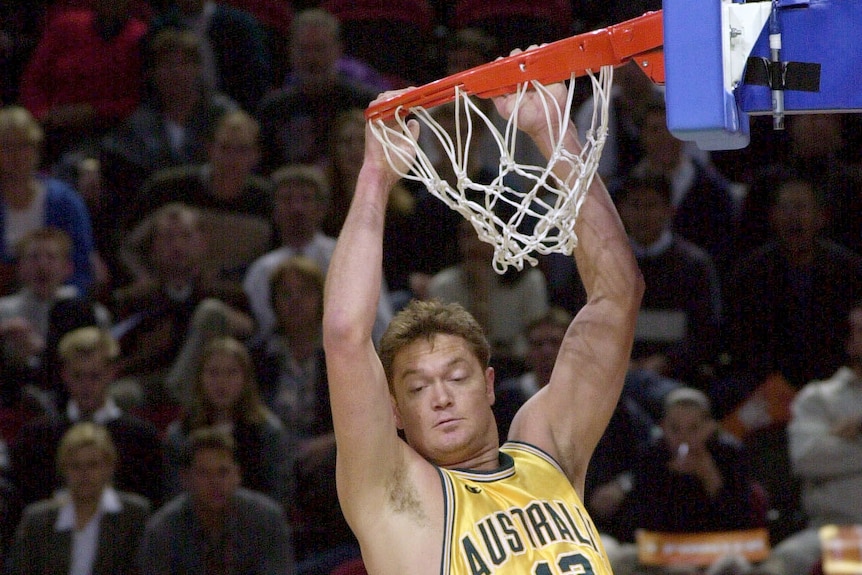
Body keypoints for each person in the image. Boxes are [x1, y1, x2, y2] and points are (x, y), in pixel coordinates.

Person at [321, 67, 644, 575]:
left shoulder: (548, 449)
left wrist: (555, 135)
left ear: (489, 383)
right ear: (395, 414)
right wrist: (376, 176)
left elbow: (617, 298)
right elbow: (344, 334)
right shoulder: (396, 494)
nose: (442, 397)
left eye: (455, 376)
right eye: (418, 388)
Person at [251, 256, 359, 573]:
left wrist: (330, 441)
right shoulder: (258, 355)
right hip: (271, 445)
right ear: (273, 303)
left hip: (325, 448)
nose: (295, 301)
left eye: (305, 292)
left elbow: (369, 415)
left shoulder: (343, 354)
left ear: (321, 299)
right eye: (286, 293)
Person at [5, 326, 164, 519]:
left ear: (111, 373)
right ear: (65, 375)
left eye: (95, 376)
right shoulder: (37, 436)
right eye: (78, 376)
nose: (86, 386)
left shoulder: (141, 437)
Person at [110, 202, 254, 406]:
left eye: (186, 236)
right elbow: (116, 357)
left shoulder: (227, 293)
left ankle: (179, 388)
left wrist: (224, 320)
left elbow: (252, 335)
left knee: (211, 311)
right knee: (118, 396)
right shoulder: (134, 299)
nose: (177, 245)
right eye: (168, 238)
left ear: (203, 242)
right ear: (153, 247)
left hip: (212, 383)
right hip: (148, 382)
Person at [243, 164, 394, 344]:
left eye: (305, 199)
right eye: (287, 199)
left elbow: (381, 324)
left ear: (322, 208)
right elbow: (262, 333)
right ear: (274, 209)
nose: (297, 208)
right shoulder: (261, 270)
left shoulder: (350, 257)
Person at [765, 302, 862, 575]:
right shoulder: (819, 398)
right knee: (783, 561)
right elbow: (808, 459)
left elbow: (829, 455)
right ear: (849, 341)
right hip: (836, 532)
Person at [601, 387, 760, 547]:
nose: (684, 437)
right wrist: (667, 479)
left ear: (709, 427)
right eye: (675, 429)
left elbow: (742, 519)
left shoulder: (730, 454)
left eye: (693, 428)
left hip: (718, 546)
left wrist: (709, 476)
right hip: (666, 551)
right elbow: (641, 522)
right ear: (663, 427)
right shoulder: (652, 455)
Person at [615, 172, 723, 391]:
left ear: (669, 211)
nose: (643, 215)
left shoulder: (694, 265)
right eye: (635, 206)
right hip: (613, 377)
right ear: (622, 211)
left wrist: (666, 362)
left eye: (651, 206)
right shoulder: (605, 262)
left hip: (679, 380)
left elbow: (706, 333)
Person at [137, 426, 294, 575]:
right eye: (203, 473)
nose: (215, 482)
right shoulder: (163, 529)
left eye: (223, 472)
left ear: (237, 475)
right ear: (185, 479)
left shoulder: (266, 520)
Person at [162, 336, 293, 507]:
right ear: (200, 378)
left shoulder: (267, 432)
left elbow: (278, 495)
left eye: (231, 373)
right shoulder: (180, 433)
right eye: (213, 373)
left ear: (246, 379)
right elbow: (174, 496)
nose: (221, 382)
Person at [4, 421, 150, 575]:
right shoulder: (38, 521)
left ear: (109, 467)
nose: (84, 474)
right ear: (63, 469)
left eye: (93, 465)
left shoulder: (134, 516)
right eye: (75, 466)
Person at [17, 0, 148, 167]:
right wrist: (43, 113)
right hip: (53, 128)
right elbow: (32, 81)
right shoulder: (66, 25)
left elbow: (139, 99)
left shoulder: (139, 36)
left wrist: (94, 111)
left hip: (114, 132)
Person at [0, 228, 110, 410]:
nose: (42, 266)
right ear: (20, 268)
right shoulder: (4, 311)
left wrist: (41, 350)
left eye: (51, 257)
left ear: (67, 268)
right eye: (34, 257)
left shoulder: (90, 313)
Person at [256, 8, 378, 172]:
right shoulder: (273, 110)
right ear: (291, 51)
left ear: (338, 50)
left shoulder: (365, 103)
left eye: (319, 49)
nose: (312, 59)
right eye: (304, 49)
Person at [427, 217, 550, 376]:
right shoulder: (443, 285)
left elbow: (536, 337)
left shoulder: (530, 281)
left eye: (482, 234)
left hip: (520, 367)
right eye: (466, 235)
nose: (473, 244)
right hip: (464, 369)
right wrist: (480, 297)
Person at [0, 106, 96, 297]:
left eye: (24, 146)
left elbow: (82, 264)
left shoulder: (65, 201)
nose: (16, 155)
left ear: (37, 149)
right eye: (6, 147)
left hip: (59, 300)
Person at [147, 0, 272, 112]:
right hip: (176, 116)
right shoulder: (161, 29)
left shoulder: (239, 26)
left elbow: (256, 83)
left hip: (234, 117)